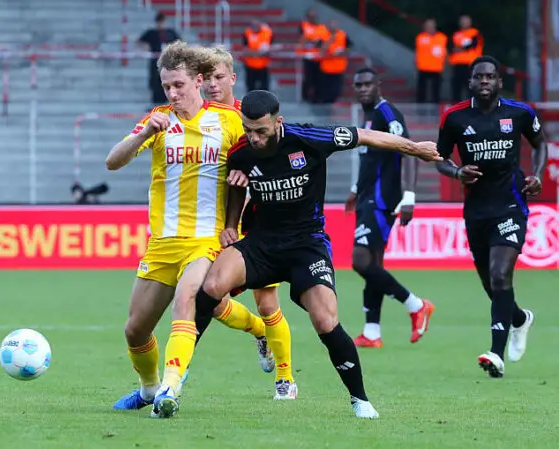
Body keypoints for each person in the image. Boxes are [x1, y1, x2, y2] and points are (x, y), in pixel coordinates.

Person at [173, 90, 442, 420]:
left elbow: (366, 136)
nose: (254, 138)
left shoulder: (310, 138)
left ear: (278, 122)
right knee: (210, 286)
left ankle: (360, 399)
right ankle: (176, 375)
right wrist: (230, 225)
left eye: (262, 131)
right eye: (248, 130)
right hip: (261, 243)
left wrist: (415, 149)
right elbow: (236, 187)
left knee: (325, 319)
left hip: (306, 243)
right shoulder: (241, 152)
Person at [106, 42, 269, 416]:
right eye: (166, 87)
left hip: (206, 240)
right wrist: (144, 132)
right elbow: (113, 162)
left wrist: (246, 182)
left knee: (187, 299)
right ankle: (149, 390)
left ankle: (169, 389)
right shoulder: (159, 120)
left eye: (178, 84)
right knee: (135, 331)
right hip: (162, 243)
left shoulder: (228, 121)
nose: (173, 93)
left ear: (198, 81)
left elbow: (262, 152)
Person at [435, 55, 546, 378]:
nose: (484, 81)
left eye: (490, 77)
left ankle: (495, 354)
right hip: (476, 211)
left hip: (511, 203)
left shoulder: (519, 113)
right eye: (478, 77)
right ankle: (519, 319)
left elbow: (540, 144)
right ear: (470, 82)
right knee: (491, 283)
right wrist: (456, 171)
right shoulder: (454, 117)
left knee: (500, 275)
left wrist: (537, 174)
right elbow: (439, 158)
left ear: (500, 82)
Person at [201, 47, 297, 399]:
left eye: (218, 77)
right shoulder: (196, 118)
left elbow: (274, 161)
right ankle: (258, 331)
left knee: (267, 301)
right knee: (208, 301)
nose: (212, 84)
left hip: (255, 223)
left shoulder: (253, 116)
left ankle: (285, 379)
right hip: (209, 225)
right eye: (206, 78)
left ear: (232, 78)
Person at [346, 68, 435, 348]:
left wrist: (409, 195)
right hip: (367, 197)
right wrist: (354, 190)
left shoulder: (387, 113)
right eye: (358, 84)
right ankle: (372, 332)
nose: (362, 89)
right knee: (373, 264)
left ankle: (416, 304)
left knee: (360, 261)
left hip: (382, 199)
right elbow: (370, 159)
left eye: (367, 84)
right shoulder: (368, 116)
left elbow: (409, 149)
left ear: (378, 86)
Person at [138, 12, 181, 106]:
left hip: (168, 64)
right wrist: (147, 47)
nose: (161, 24)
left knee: (169, 82)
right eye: (159, 22)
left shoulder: (170, 33)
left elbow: (180, 43)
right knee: (155, 84)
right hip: (155, 64)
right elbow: (140, 42)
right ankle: (156, 104)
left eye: (162, 22)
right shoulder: (151, 33)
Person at [449, 15, 483, 102]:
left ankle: (472, 107)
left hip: (470, 64)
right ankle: (456, 107)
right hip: (457, 64)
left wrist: (461, 48)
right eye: (462, 21)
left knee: (471, 87)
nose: (464, 23)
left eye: (466, 21)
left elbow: (474, 44)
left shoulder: (474, 33)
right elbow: (451, 47)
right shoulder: (456, 34)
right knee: (456, 87)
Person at [415, 18, 447, 104]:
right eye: (428, 25)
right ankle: (420, 106)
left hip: (436, 67)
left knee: (436, 90)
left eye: (431, 25)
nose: (429, 27)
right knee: (422, 90)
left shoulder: (442, 37)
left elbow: (443, 51)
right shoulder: (420, 37)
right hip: (423, 67)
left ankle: (436, 106)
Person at [242, 20, 273, 92]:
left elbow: (269, 50)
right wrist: (258, 53)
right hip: (250, 65)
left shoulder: (267, 33)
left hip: (263, 65)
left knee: (264, 89)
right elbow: (245, 51)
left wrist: (254, 53)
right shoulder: (247, 33)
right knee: (250, 88)